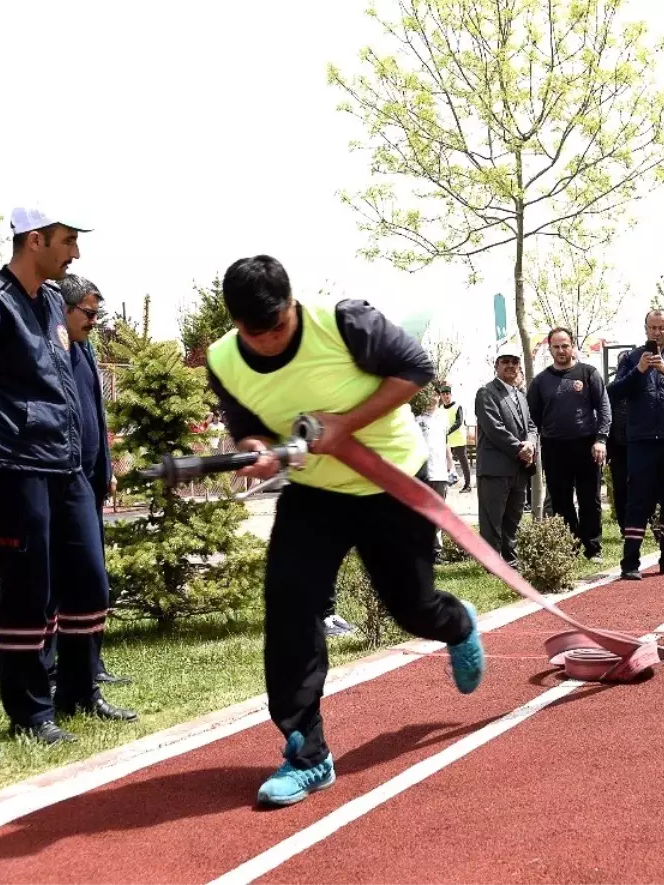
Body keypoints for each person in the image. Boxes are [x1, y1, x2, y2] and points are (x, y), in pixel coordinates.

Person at [206, 255, 484, 807]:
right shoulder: (222, 359)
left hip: (389, 480)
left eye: (276, 327)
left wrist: (345, 425)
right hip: (314, 494)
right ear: (234, 322)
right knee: (290, 607)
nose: (264, 342)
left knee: (411, 607)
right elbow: (246, 429)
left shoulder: (343, 322)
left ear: (291, 304)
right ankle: (306, 754)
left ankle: (456, 624)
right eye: (250, 332)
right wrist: (255, 453)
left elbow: (416, 370)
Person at [0, 207, 136, 746]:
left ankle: (79, 691)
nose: (75, 253)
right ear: (35, 240)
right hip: (15, 466)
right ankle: (31, 711)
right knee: (30, 592)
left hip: (65, 464)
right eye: (68, 241)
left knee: (88, 579)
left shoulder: (53, 301)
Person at [59, 274, 128, 685]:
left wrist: (107, 469)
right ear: (64, 309)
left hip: (90, 480)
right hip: (64, 482)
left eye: (97, 313)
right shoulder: (55, 353)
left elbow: (96, 416)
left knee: (93, 577)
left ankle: (92, 665)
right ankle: (61, 669)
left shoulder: (84, 349)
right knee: (76, 580)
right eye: (88, 313)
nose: (94, 321)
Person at [611, 309, 664, 579]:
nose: (657, 332)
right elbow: (613, 392)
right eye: (653, 327)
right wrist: (639, 371)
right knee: (637, 501)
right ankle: (630, 563)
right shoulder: (631, 358)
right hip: (641, 440)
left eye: (662, 328)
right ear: (645, 328)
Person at [526, 328, 611, 560]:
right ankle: (570, 548)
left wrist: (601, 439)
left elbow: (604, 409)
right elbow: (531, 418)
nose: (561, 350)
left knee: (589, 500)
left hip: (587, 446)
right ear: (550, 348)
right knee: (561, 502)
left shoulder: (588, 374)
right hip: (554, 448)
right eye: (556, 346)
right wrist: (532, 443)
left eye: (565, 345)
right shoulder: (540, 381)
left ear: (573, 346)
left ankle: (593, 548)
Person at [474, 346, 536, 566]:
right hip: (495, 468)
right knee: (492, 520)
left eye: (514, 361)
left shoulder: (520, 395)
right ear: (496, 365)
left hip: (518, 468)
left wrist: (530, 443)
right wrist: (520, 448)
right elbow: (494, 428)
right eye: (505, 361)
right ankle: (491, 564)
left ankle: (511, 560)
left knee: (513, 518)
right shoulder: (486, 393)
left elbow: (530, 425)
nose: (510, 365)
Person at [415, 387, 452, 559]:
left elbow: (445, 443)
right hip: (423, 472)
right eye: (429, 394)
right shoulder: (417, 418)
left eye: (436, 395)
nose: (433, 398)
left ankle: (437, 550)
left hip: (440, 472)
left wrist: (450, 464)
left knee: (438, 511)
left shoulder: (443, 418)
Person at [605, 351, 630, 530]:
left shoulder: (641, 388)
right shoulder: (610, 390)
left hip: (640, 446)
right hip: (618, 447)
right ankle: (625, 526)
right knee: (621, 488)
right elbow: (605, 419)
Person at [439, 385, 472, 492]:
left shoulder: (458, 406)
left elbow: (459, 422)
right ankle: (445, 484)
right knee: (444, 463)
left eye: (447, 394)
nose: (445, 396)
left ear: (450, 395)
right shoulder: (440, 409)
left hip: (458, 440)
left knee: (464, 464)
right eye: (443, 394)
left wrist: (448, 431)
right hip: (446, 441)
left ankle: (467, 485)